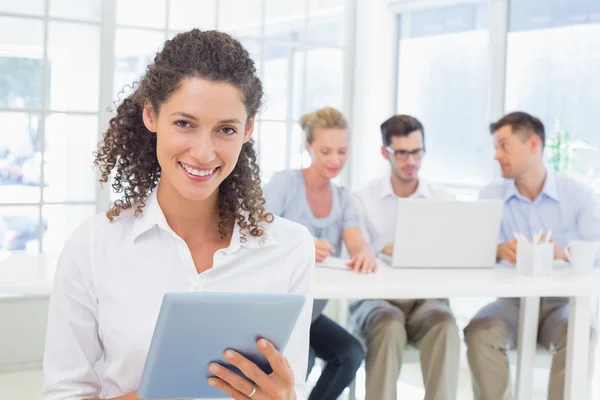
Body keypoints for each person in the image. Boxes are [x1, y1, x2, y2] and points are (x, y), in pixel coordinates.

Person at [41, 29, 314, 400]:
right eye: (185, 123)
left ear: (248, 130)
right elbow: (64, 393)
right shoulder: (93, 247)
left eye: (226, 129)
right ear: (151, 115)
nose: (203, 152)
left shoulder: (290, 248)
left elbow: (291, 385)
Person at [464, 111, 600, 400]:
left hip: (560, 305)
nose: (497, 155)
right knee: (479, 332)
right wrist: (497, 249)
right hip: (511, 303)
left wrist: (564, 251)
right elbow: (470, 250)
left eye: (504, 145)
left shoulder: (578, 196)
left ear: (533, 145)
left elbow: (597, 248)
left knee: (581, 335)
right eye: (495, 147)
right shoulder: (491, 196)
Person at [262, 107, 375, 400]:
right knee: (303, 360)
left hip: (310, 314)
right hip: (277, 311)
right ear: (308, 146)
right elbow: (259, 234)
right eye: (326, 151)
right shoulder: (285, 183)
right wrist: (302, 243)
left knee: (350, 353)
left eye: (342, 151)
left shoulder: (344, 198)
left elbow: (354, 240)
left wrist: (363, 253)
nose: (335, 160)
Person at [351, 115, 460, 400]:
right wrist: (382, 250)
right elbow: (356, 252)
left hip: (427, 300)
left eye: (417, 152)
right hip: (377, 300)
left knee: (445, 324)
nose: (411, 161)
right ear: (385, 152)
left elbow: (453, 253)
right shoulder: (363, 199)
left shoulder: (442, 199)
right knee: (388, 325)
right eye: (401, 153)